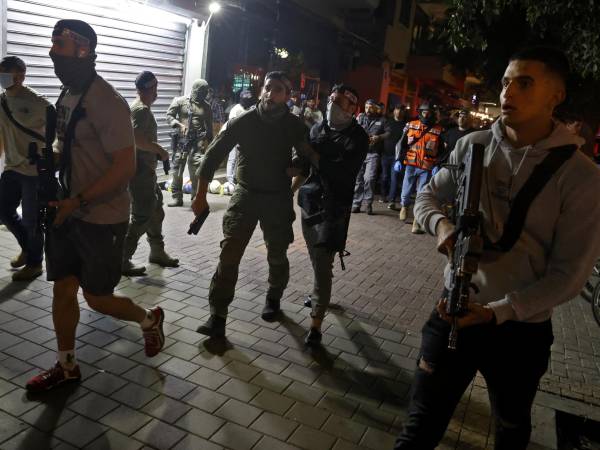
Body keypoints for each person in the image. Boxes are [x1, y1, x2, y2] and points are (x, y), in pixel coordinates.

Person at [395, 46, 600, 450]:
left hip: (519, 330)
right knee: (419, 426)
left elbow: (569, 276)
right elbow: (426, 197)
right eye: (506, 82)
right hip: (452, 308)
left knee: (510, 429)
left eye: (525, 83)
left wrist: (498, 312)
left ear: (555, 96)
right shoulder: (472, 145)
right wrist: (442, 227)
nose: (509, 92)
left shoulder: (582, 176)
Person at [26, 20, 164, 393]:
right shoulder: (68, 94)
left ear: (83, 50)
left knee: (97, 298)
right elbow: (70, 147)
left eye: (60, 45)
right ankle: (67, 366)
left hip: (102, 217)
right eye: (52, 44)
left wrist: (78, 200)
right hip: (67, 211)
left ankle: (149, 319)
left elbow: (125, 166)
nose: (52, 52)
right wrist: (50, 162)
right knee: (62, 290)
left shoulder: (107, 101)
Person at [192, 71, 317, 338]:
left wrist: (295, 175)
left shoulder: (294, 125)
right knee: (229, 255)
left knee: (277, 253)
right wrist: (200, 196)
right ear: (262, 90)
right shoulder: (244, 121)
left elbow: (310, 159)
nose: (271, 94)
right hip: (245, 196)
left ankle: (274, 297)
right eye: (268, 88)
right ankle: (218, 316)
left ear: (287, 96)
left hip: (277, 199)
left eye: (279, 90)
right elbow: (212, 157)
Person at [297, 84, 368, 346]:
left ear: (352, 109)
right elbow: (305, 167)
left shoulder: (358, 138)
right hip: (309, 203)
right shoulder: (318, 128)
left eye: (339, 103)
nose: (332, 106)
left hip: (333, 210)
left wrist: (313, 154)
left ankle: (315, 324)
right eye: (331, 100)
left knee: (324, 262)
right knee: (318, 260)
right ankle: (320, 296)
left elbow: (342, 174)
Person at [121, 71, 179, 277]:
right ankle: (122, 258)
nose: (156, 92)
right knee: (142, 215)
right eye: (153, 88)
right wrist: (160, 150)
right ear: (146, 89)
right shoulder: (141, 110)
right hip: (140, 172)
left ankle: (157, 252)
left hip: (146, 171)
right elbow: (136, 138)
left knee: (156, 211)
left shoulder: (139, 108)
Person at [0, 56, 50, 281]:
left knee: (32, 221)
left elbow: (58, 132)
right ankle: (27, 248)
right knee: (3, 210)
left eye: (9, 75)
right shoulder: (1, 101)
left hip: (33, 170)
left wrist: (52, 158)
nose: (4, 80)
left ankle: (35, 263)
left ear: (21, 76)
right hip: (12, 167)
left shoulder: (37, 102)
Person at [396, 101, 443, 233]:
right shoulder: (411, 125)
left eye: (429, 113)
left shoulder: (439, 130)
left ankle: (416, 222)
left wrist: (437, 164)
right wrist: (398, 159)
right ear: (420, 112)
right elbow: (402, 143)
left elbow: (442, 151)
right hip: (410, 164)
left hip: (427, 167)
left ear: (433, 114)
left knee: (421, 194)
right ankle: (404, 206)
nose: (426, 115)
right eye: (424, 112)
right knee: (406, 190)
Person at [166, 79, 213, 207]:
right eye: (201, 91)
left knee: (197, 170)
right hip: (182, 140)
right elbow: (169, 116)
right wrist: (178, 124)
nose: (203, 94)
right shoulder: (180, 101)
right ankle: (177, 197)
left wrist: (210, 144)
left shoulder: (206, 107)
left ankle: (195, 198)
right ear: (195, 90)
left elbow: (209, 127)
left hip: (197, 142)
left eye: (205, 92)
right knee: (177, 170)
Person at [352, 99, 388, 215]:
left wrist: (379, 137)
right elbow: (353, 128)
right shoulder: (361, 117)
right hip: (359, 152)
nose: (368, 109)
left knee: (369, 178)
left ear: (376, 108)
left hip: (373, 153)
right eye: (366, 107)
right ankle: (356, 204)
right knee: (358, 179)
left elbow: (388, 133)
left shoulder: (382, 120)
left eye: (370, 107)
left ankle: (368, 203)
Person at [225, 89, 255, 185]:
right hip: (234, 138)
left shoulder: (249, 109)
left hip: (244, 139)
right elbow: (231, 125)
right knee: (232, 158)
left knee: (240, 160)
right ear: (241, 99)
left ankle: (235, 178)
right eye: (245, 98)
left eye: (249, 98)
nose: (247, 100)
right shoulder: (236, 109)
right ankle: (230, 180)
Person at [434, 109, 475, 175]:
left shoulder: (473, 134)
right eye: (460, 116)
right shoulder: (451, 132)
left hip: (462, 169)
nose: (461, 119)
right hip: (446, 165)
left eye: (465, 117)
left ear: (470, 120)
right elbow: (443, 147)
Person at [383, 104, 407, 210]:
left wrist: (403, 155)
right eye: (397, 109)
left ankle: (391, 200)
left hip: (397, 156)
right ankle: (384, 195)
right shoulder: (387, 122)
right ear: (394, 111)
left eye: (401, 110)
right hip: (384, 154)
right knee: (384, 176)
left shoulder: (406, 125)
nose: (399, 112)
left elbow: (407, 142)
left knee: (394, 178)